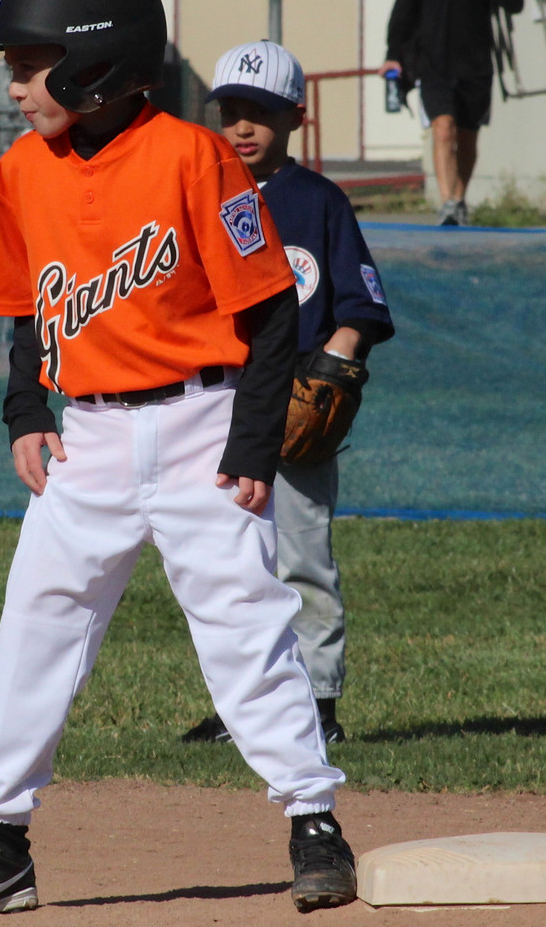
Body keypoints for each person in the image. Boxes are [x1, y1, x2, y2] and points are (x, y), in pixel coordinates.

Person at [0, 0, 356, 917]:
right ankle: (0, 845)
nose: (14, 85)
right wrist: (26, 411)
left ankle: (314, 821)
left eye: (29, 64)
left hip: (202, 426)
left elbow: (271, 309)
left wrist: (252, 444)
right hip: (90, 437)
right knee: (36, 625)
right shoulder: (21, 172)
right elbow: (28, 311)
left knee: (244, 624)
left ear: (95, 64)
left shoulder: (194, 156)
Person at [180, 40, 395, 748]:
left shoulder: (319, 201)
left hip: (296, 402)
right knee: (225, 564)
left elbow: (361, 306)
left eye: (262, 113)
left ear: (296, 117)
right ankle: (242, 703)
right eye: (231, 112)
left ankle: (319, 703)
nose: (242, 127)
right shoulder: (198, 193)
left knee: (301, 558)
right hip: (216, 402)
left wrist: (337, 360)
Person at [381, 0, 526, 226]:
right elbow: (403, 12)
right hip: (433, 66)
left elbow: (513, 3)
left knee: (467, 138)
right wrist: (393, 54)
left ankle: (459, 200)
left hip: (476, 67)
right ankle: (448, 202)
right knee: (443, 129)